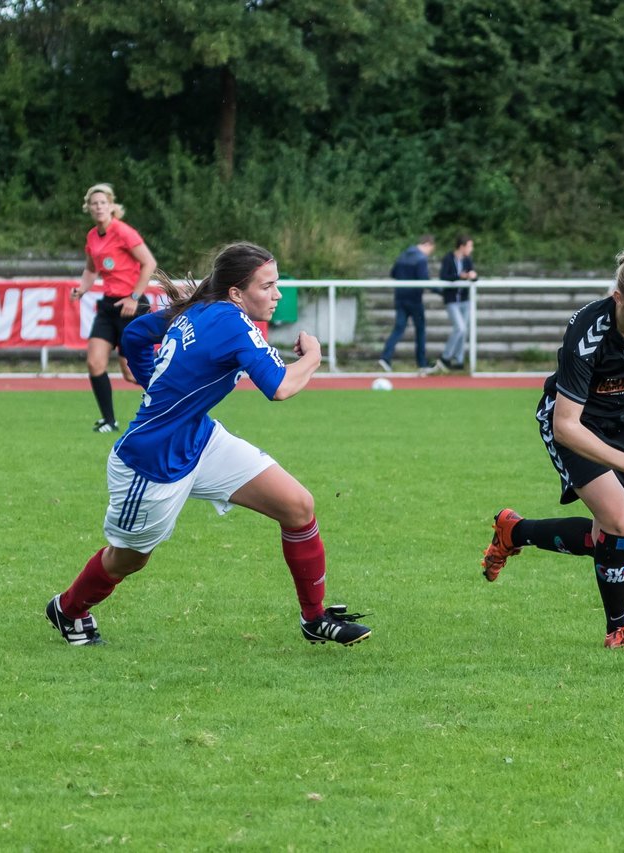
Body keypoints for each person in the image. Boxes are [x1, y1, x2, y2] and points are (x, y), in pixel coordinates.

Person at [45, 241, 372, 648]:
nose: (277, 295)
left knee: (298, 506)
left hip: (199, 438)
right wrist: (314, 357)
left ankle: (315, 617)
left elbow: (135, 335)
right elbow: (281, 387)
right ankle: (69, 609)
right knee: (129, 558)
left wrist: (153, 382)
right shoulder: (229, 322)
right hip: (152, 461)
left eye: (277, 285)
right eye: (268, 286)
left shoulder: (202, 310)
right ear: (236, 293)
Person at [480, 246, 624, 651]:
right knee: (619, 524)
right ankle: (618, 631)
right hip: (575, 426)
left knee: (618, 536)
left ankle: (514, 530)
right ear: (619, 298)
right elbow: (566, 426)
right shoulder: (587, 331)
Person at [70, 183, 157, 433]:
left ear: (111, 206)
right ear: (88, 207)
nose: (98, 207)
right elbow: (90, 268)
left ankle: (172, 410)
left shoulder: (124, 232)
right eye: (94, 203)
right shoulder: (91, 236)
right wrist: (82, 288)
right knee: (94, 363)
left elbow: (149, 263)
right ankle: (109, 421)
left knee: (132, 374)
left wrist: (134, 296)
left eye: (103, 203)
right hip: (109, 306)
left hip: (132, 307)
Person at [378, 234, 436, 374]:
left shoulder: (403, 255)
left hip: (400, 297)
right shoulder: (421, 259)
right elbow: (424, 279)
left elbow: (393, 273)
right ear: (428, 244)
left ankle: (385, 357)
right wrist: (441, 290)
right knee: (420, 329)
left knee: (399, 328)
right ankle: (422, 362)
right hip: (414, 299)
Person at [434, 234, 477, 372]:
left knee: (463, 331)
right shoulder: (448, 258)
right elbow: (444, 277)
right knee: (460, 328)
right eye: (470, 246)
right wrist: (460, 276)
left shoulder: (468, 260)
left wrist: (473, 276)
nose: (471, 249)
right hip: (451, 300)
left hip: (464, 300)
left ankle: (458, 361)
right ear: (462, 246)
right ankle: (445, 358)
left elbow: (473, 276)